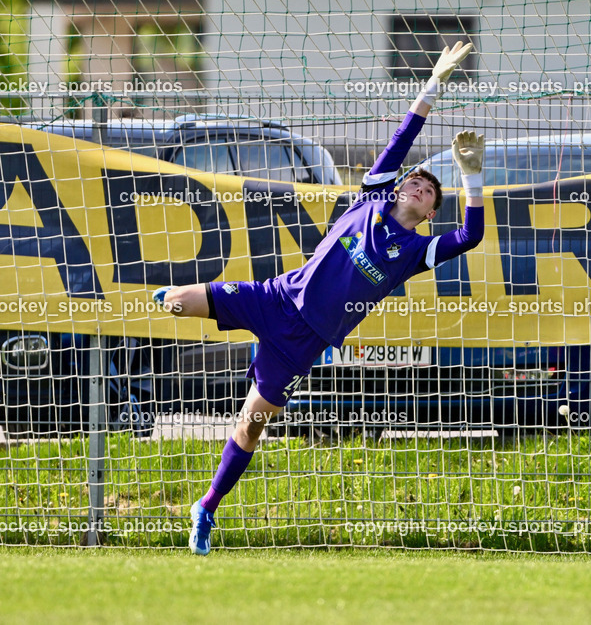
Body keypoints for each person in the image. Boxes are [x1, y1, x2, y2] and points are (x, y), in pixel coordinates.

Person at [153, 42, 485, 555]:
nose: (418, 185)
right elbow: (404, 137)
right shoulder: (371, 196)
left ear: (431, 213)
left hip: (303, 342)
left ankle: (207, 507)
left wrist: (470, 174)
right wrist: (434, 83)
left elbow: (471, 237)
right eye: (415, 180)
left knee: (250, 425)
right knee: (173, 301)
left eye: (428, 191)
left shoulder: (416, 252)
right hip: (275, 298)